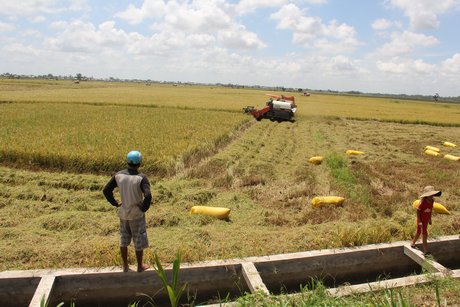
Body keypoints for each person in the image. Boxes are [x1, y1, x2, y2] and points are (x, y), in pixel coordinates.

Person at [103, 150, 152, 272]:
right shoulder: (141, 178)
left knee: (124, 239)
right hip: (136, 214)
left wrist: (115, 203)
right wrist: (144, 208)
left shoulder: (118, 176)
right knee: (138, 238)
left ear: (127, 162)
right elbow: (148, 195)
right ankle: (140, 266)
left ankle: (125, 266)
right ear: (139, 163)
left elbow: (106, 190)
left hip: (123, 213)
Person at [410, 185, 441, 255]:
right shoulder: (423, 202)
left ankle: (413, 243)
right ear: (426, 195)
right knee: (425, 234)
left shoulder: (432, 201)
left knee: (418, 232)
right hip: (421, 221)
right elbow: (418, 211)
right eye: (430, 195)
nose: (431, 196)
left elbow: (430, 210)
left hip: (426, 220)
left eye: (432, 195)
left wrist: (430, 219)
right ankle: (426, 251)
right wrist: (420, 221)